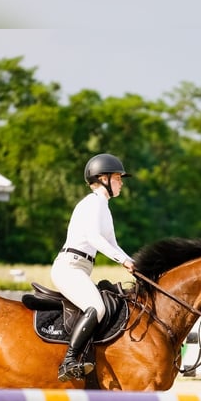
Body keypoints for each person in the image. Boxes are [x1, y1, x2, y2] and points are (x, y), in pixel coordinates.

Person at [51, 153, 135, 382]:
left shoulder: (104, 207)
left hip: (81, 267)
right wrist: (123, 261)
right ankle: (68, 361)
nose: (121, 182)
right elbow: (95, 238)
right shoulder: (92, 202)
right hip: (69, 266)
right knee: (97, 308)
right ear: (103, 178)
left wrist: (135, 264)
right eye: (118, 177)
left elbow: (113, 244)